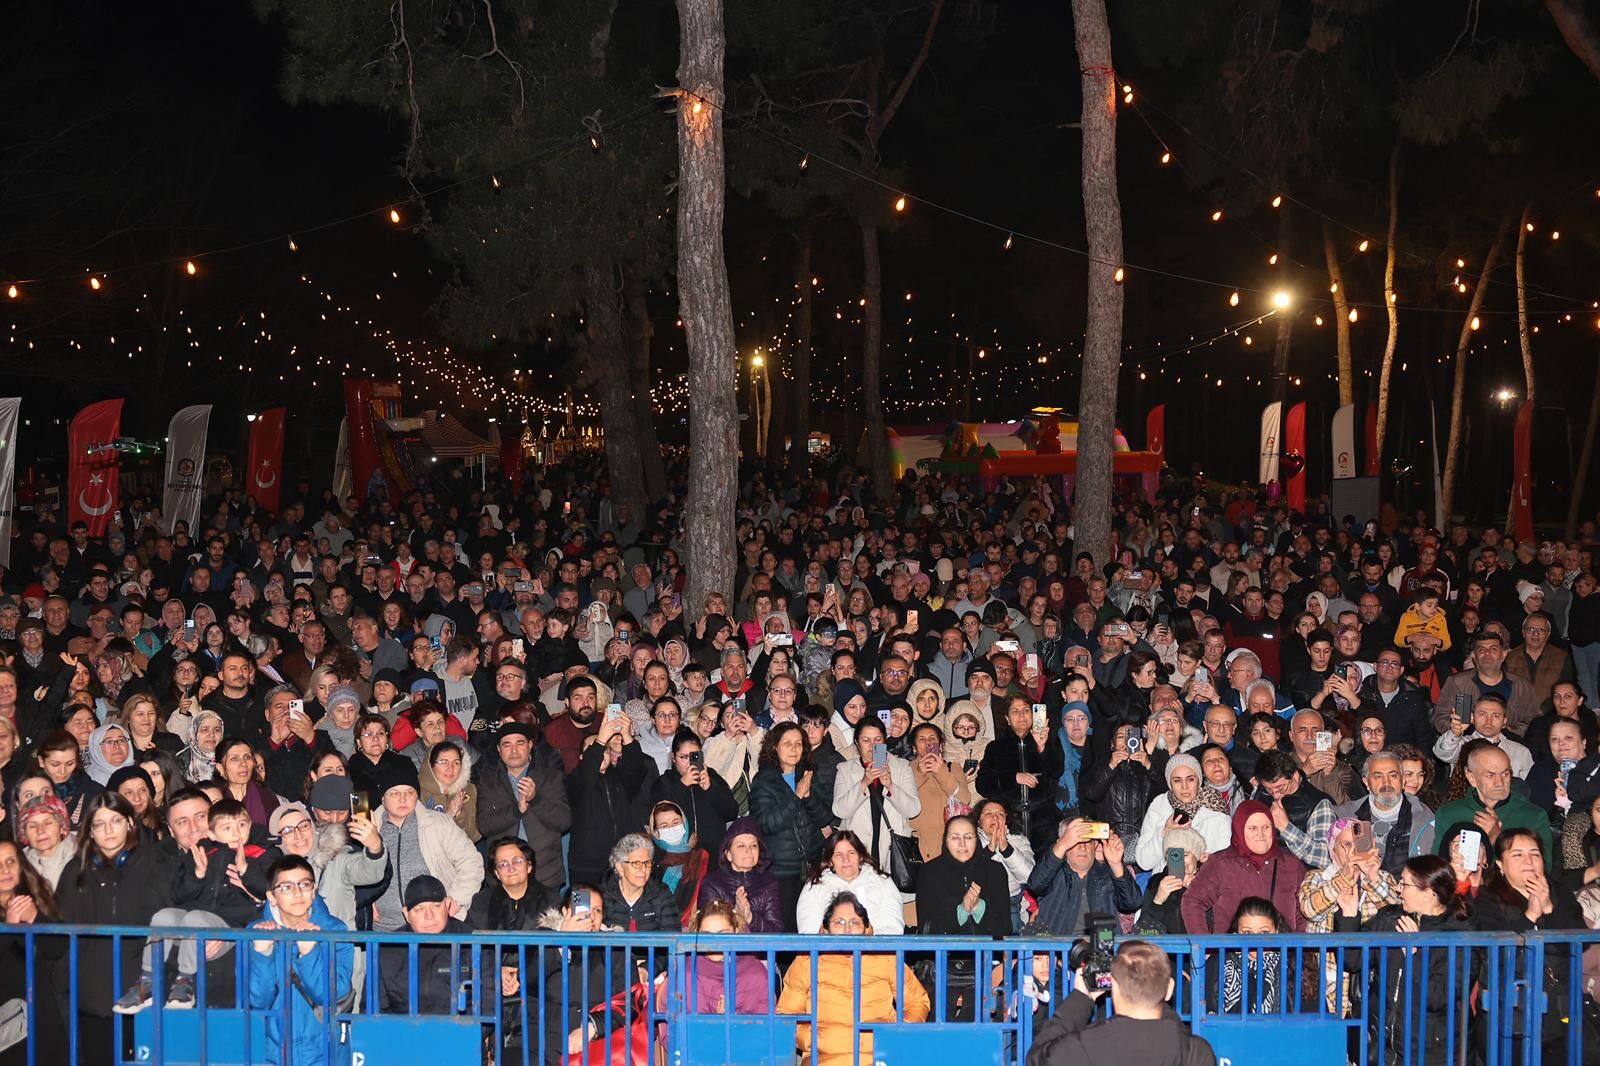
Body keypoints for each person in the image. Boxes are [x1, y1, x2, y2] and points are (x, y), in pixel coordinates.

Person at [54, 793, 169, 1059]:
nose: (108, 830)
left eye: (115, 820)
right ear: (90, 831)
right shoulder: (76, 871)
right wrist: (68, 983)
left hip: (143, 993)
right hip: (91, 997)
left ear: (130, 823)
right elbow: (63, 931)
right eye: (99, 823)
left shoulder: (154, 863)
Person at [1334, 854, 1478, 1065]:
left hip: (1432, 1052)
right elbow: (1352, 960)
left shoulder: (1458, 935)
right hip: (1384, 1046)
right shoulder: (1391, 919)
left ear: (1428, 893)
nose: (1398, 889)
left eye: (1405, 884)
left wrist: (1414, 955)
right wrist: (1348, 916)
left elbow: (1438, 998)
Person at [776, 892, 930, 1066]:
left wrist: (894, 1035)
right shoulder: (807, 960)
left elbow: (917, 1002)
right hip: (823, 1058)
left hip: (877, 1057)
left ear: (866, 928)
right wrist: (811, 1039)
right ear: (826, 929)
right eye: (839, 922)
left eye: (854, 922)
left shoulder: (885, 956)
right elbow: (786, 1014)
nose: (847, 929)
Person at [1473, 828, 1588, 1060]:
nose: (1528, 861)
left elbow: (1579, 943)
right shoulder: (1488, 898)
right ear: (1500, 864)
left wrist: (1548, 908)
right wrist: (1530, 916)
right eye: (1517, 855)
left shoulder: (1559, 892)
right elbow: (1494, 948)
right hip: (1507, 1011)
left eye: (1535, 854)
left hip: (1558, 1007)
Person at [1025, 939, 1215, 1066]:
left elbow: (1036, 1058)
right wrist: (1155, 991)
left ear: (1113, 987)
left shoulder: (1085, 1045)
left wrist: (1081, 997)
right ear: (1169, 989)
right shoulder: (1196, 1052)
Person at [246, 855, 355, 1066]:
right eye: (286, 887)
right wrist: (262, 953)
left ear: (313, 890)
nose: (297, 893)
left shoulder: (335, 930)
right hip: (272, 1052)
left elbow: (335, 993)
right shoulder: (256, 933)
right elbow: (258, 1000)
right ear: (272, 896)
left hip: (325, 1051)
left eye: (305, 884)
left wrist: (309, 953)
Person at [368, 759, 484, 929]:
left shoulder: (439, 824)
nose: (403, 799)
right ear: (383, 798)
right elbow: (354, 873)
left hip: (435, 928)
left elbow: (471, 862)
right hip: (383, 929)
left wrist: (458, 899)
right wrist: (364, 898)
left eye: (410, 792)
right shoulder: (369, 827)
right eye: (394, 793)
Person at [915, 815, 1011, 1018]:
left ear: (977, 840)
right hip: (940, 964)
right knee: (939, 1019)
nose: (962, 844)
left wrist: (978, 908)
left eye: (968, 837)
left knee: (976, 1018)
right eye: (955, 837)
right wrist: (962, 911)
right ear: (945, 840)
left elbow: (1004, 927)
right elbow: (927, 927)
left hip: (985, 964)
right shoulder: (929, 872)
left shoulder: (994, 871)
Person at [747, 722, 830, 929]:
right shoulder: (764, 780)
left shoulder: (807, 774)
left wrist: (809, 796)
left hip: (812, 866)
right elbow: (765, 824)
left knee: (811, 925)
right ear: (775, 747)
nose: (794, 749)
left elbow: (824, 817)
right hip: (781, 871)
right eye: (787, 744)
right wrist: (796, 796)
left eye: (799, 744)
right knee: (787, 928)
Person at [1182, 799, 1307, 933]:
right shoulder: (1220, 863)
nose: (1261, 834)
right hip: (1232, 951)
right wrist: (1205, 948)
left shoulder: (1290, 863)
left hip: (1281, 951)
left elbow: (1304, 910)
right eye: (1253, 828)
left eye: (1266, 827)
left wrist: (1298, 948)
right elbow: (1193, 901)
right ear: (1239, 829)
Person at [472, 722, 569, 892]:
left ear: (530, 745)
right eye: (507, 745)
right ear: (499, 750)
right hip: (503, 877)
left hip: (544, 874)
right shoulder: (487, 782)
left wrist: (536, 799)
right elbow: (484, 826)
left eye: (520, 743)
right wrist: (516, 810)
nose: (514, 750)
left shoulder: (551, 777)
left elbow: (564, 821)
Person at [378, 874, 487, 1015]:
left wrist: (467, 1034)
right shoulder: (388, 948)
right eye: (419, 909)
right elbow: (374, 1006)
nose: (429, 916)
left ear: (447, 905)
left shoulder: (472, 942)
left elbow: (487, 1003)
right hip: (403, 1033)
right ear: (406, 914)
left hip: (458, 1032)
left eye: (436, 906)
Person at [1432, 741, 1555, 863]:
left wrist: (1498, 839)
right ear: (1471, 777)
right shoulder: (1449, 814)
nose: (1500, 782)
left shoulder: (1533, 816)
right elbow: (1439, 868)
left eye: (1505, 774)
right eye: (1490, 775)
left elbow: (1543, 869)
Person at [831, 716, 920, 877]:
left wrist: (891, 786)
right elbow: (840, 811)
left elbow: (913, 810)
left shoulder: (902, 766)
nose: (872, 745)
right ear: (857, 743)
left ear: (885, 741)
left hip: (892, 851)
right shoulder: (844, 769)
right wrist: (864, 782)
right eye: (866, 740)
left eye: (877, 739)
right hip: (856, 850)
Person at [977, 694, 1065, 855]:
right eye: (1015, 711)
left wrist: (1042, 747)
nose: (1022, 715)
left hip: (1045, 824)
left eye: (1026, 710)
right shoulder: (995, 747)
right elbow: (982, 785)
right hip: (1010, 824)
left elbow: (1056, 771)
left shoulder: (1048, 741)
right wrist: (1013, 778)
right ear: (1007, 718)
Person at [1025, 816, 1141, 935]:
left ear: (1095, 845)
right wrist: (1062, 845)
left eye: (1088, 842)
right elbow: (1035, 884)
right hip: (1058, 949)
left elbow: (1131, 903)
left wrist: (1116, 864)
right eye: (1076, 842)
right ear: (1063, 844)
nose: (1082, 847)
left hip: (1101, 946)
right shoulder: (1053, 873)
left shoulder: (1106, 874)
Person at [794, 830, 904, 935]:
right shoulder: (814, 885)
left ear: (860, 856)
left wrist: (868, 938)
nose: (845, 859)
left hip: (874, 951)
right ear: (830, 861)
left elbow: (894, 928)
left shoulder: (883, 882)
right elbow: (808, 931)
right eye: (838, 855)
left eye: (851, 853)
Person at [1133, 753, 1231, 871]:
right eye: (1177, 781)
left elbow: (1227, 863)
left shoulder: (1215, 807)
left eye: (1190, 779)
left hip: (1206, 883)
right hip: (1167, 884)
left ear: (1199, 780)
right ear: (1170, 784)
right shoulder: (1160, 805)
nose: (1184, 787)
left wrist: (1211, 861)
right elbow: (1144, 862)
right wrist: (1164, 833)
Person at [681, 901, 772, 1016]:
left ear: (736, 931)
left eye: (722, 934)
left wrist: (733, 1020)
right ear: (697, 934)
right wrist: (716, 1022)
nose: (714, 942)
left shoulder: (756, 974)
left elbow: (767, 1028)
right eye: (706, 935)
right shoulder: (686, 973)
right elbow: (677, 1028)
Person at [696, 816, 783, 932]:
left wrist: (750, 918)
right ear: (728, 854)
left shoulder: (769, 883)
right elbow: (708, 929)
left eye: (753, 845)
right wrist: (736, 915)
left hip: (759, 949)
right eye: (741, 846)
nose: (749, 851)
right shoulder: (712, 883)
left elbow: (776, 933)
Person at [645, 801, 710, 925]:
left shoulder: (701, 857)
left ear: (684, 823)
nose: (671, 829)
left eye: (676, 823)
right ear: (655, 832)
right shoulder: (649, 862)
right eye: (664, 826)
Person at [600, 832, 678, 932]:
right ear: (620, 867)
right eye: (636, 863)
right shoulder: (602, 897)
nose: (643, 869)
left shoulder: (662, 894)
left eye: (647, 863)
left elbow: (672, 938)